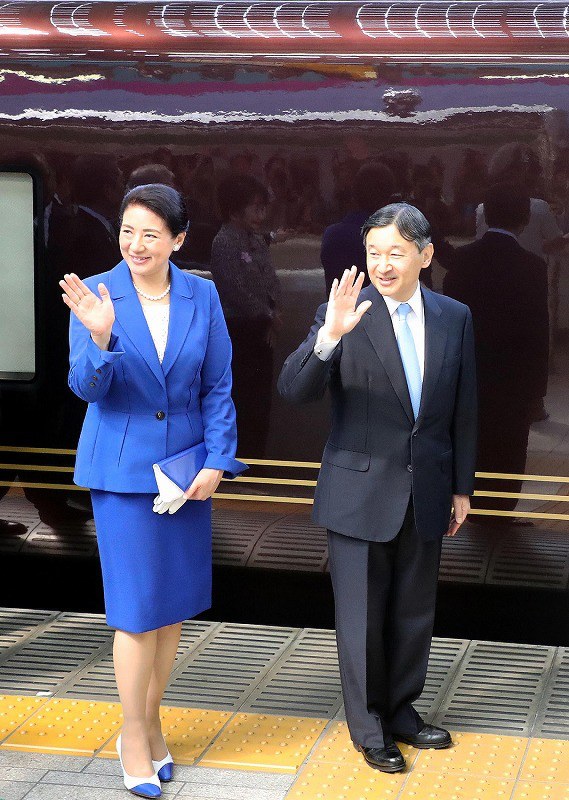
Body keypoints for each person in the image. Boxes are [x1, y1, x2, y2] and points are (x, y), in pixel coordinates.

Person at [60, 183, 244, 798]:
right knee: (138, 615)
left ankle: (155, 718)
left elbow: (217, 385)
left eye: (150, 234)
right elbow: (85, 387)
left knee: (171, 614)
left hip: (187, 472)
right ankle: (133, 732)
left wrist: (218, 460)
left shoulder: (204, 294)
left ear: (178, 240)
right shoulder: (96, 292)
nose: (135, 244)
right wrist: (103, 336)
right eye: (127, 231)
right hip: (122, 476)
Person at [278, 203, 477, 773]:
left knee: (415, 610)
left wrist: (461, 486)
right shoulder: (343, 312)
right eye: (373, 253)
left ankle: (403, 712)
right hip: (358, 492)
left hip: (428, 490)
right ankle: (369, 728)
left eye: (396, 252)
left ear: (426, 254)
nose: (383, 265)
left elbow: (464, 408)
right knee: (361, 616)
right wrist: (327, 339)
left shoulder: (453, 316)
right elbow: (294, 390)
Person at [444, 183, 548, 518]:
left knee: (469, 449)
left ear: (485, 215)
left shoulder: (461, 261)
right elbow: (537, 334)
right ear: (526, 218)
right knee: (508, 452)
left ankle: (468, 518)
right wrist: (536, 392)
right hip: (512, 384)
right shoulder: (532, 266)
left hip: (467, 378)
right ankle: (499, 521)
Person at [209, 172, 281, 458]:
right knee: (241, 399)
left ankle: (256, 461)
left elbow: (271, 279)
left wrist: (273, 309)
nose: (260, 214)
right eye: (255, 207)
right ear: (235, 209)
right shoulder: (224, 242)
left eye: (263, 207)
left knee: (260, 402)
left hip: (261, 329)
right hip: (237, 330)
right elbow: (232, 289)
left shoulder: (256, 240)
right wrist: (265, 313)